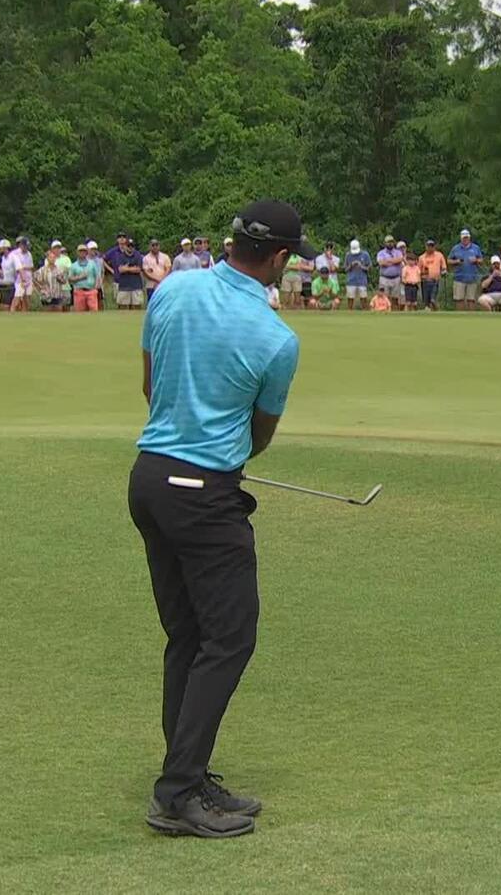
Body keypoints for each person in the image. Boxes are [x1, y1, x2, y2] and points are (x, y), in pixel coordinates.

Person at [131, 199, 309, 840]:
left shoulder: (171, 288)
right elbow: (259, 437)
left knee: (189, 636)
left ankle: (190, 770)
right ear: (281, 258)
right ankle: (176, 795)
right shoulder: (275, 338)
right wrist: (215, 457)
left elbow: (151, 386)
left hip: (149, 478)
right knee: (229, 639)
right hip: (203, 496)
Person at [447, 230, 483, 311]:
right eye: (464, 238)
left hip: (472, 278)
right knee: (459, 299)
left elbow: (481, 260)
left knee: (471, 299)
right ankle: (460, 317)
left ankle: (471, 318)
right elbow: (449, 260)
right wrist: (456, 261)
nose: (465, 239)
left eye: (466, 238)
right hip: (459, 277)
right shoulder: (455, 248)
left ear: (469, 238)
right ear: (461, 238)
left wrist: (476, 260)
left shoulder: (476, 248)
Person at [108, 233, 144, 310]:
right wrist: (132, 268)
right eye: (128, 246)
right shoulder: (120, 256)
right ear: (125, 246)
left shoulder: (138, 255)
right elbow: (120, 270)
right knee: (122, 307)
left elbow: (138, 269)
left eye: (132, 246)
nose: (130, 247)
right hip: (124, 286)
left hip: (136, 286)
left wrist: (127, 268)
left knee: (137, 306)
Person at [6, 237, 36, 311]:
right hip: (19, 279)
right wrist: (22, 269)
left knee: (27, 298)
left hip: (28, 278)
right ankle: (12, 311)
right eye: (25, 246)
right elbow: (14, 267)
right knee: (17, 296)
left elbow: (31, 267)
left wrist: (24, 268)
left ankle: (25, 313)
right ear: (21, 245)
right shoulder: (15, 253)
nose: (27, 248)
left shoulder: (29, 254)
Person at [69, 243, 100, 312]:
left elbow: (97, 276)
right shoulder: (74, 265)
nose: (82, 253)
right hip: (79, 291)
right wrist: (80, 277)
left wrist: (96, 288)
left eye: (84, 251)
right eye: (80, 251)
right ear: (77, 252)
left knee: (94, 311)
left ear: (86, 252)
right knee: (80, 313)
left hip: (91, 291)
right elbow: (70, 279)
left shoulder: (92, 263)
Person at [376, 235, 404, 306]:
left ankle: (394, 313)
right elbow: (381, 263)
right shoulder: (381, 253)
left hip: (396, 278)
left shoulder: (398, 252)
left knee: (395, 297)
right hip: (384, 278)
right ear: (385, 243)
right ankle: (385, 311)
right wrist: (393, 261)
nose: (390, 243)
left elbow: (399, 260)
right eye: (388, 242)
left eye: (391, 242)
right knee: (385, 297)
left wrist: (388, 261)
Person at [343, 239, 371, 310]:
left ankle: (364, 312)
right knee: (350, 299)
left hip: (362, 280)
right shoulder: (348, 255)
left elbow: (369, 268)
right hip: (351, 280)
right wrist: (351, 265)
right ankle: (350, 313)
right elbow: (345, 269)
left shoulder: (365, 254)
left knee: (363, 298)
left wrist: (361, 266)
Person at [418, 239, 445, 311]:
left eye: (432, 246)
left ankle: (436, 310)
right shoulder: (421, 257)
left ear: (434, 247)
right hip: (425, 281)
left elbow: (444, 267)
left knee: (433, 299)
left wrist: (443, 272)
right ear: (426, 247)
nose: (430, 248)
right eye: (428, 246)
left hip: (435, 280)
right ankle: (428, 312)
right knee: (426, 300)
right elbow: (418, 270)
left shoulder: (439, 255)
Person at [400, 244, 420, 311]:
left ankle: (415, 312)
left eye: (413, 260)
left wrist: (417, 281)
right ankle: (407, 312)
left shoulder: (417, 268)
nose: (411, 262)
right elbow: (403, 277)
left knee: (414, 302)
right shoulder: (405, 268)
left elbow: (418, 276)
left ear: (415, 261)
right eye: (410, 260)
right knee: (408, 302)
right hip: (408, 285)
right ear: (407, 261)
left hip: (414, 285)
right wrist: (405, 281)